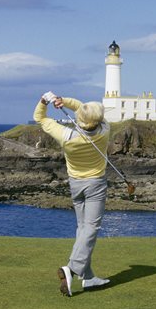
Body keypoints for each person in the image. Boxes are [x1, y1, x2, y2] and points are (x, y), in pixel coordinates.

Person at [34, 92, 111, 297]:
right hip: (95, 184)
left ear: (80, 119)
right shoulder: (105, 129)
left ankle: (88, 277)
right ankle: (72, 269)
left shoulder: (66, 136)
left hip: (75, 184)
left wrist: (45, 102)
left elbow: (39, 118)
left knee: (83, 228)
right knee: (91, 227)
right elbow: (82, 108)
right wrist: (66, 102)